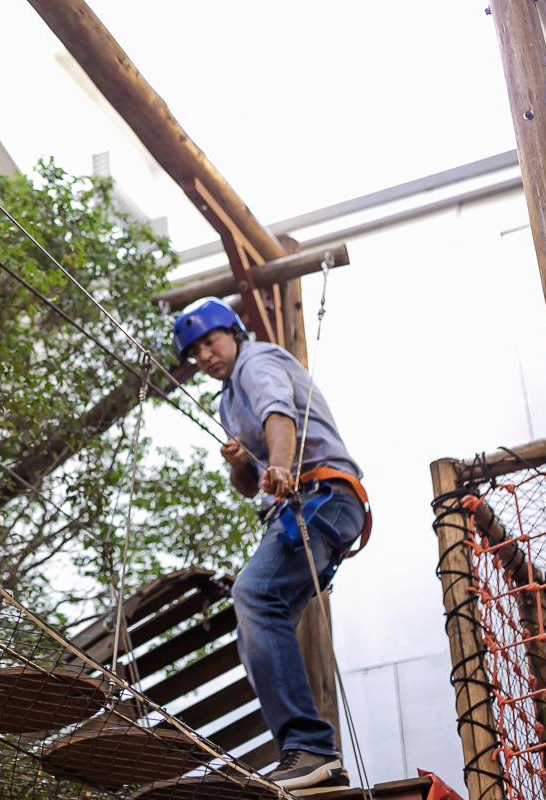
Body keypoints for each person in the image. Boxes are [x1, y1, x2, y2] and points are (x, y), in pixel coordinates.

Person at [172, 297, 371, 795]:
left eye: (210, 341)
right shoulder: (226, 402)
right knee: (254, 627)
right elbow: (247, 487)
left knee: (255, 594)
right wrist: (243, 463)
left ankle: (311, 747)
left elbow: (279, 413)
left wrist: (280, 464)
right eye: (195, 352)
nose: (204, 355)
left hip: (323, 495)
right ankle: (310, 759)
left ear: (233, 333)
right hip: (302, 507)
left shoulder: (257, 361)